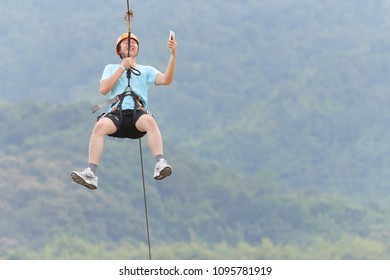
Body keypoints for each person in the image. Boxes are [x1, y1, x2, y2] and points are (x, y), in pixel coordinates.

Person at [71, 32, 177, 190]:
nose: (131, 45)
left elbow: (167, 80)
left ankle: (160, 163)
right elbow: (104, 89)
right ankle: (91, 173)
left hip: (137, 113)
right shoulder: (111, 68)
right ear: (119, 50)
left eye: (134, 43)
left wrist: (173, 55)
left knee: (149, 121)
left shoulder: (145, 70)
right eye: (126, 44)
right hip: (117, 113)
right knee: (100, 126)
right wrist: (122, 68)